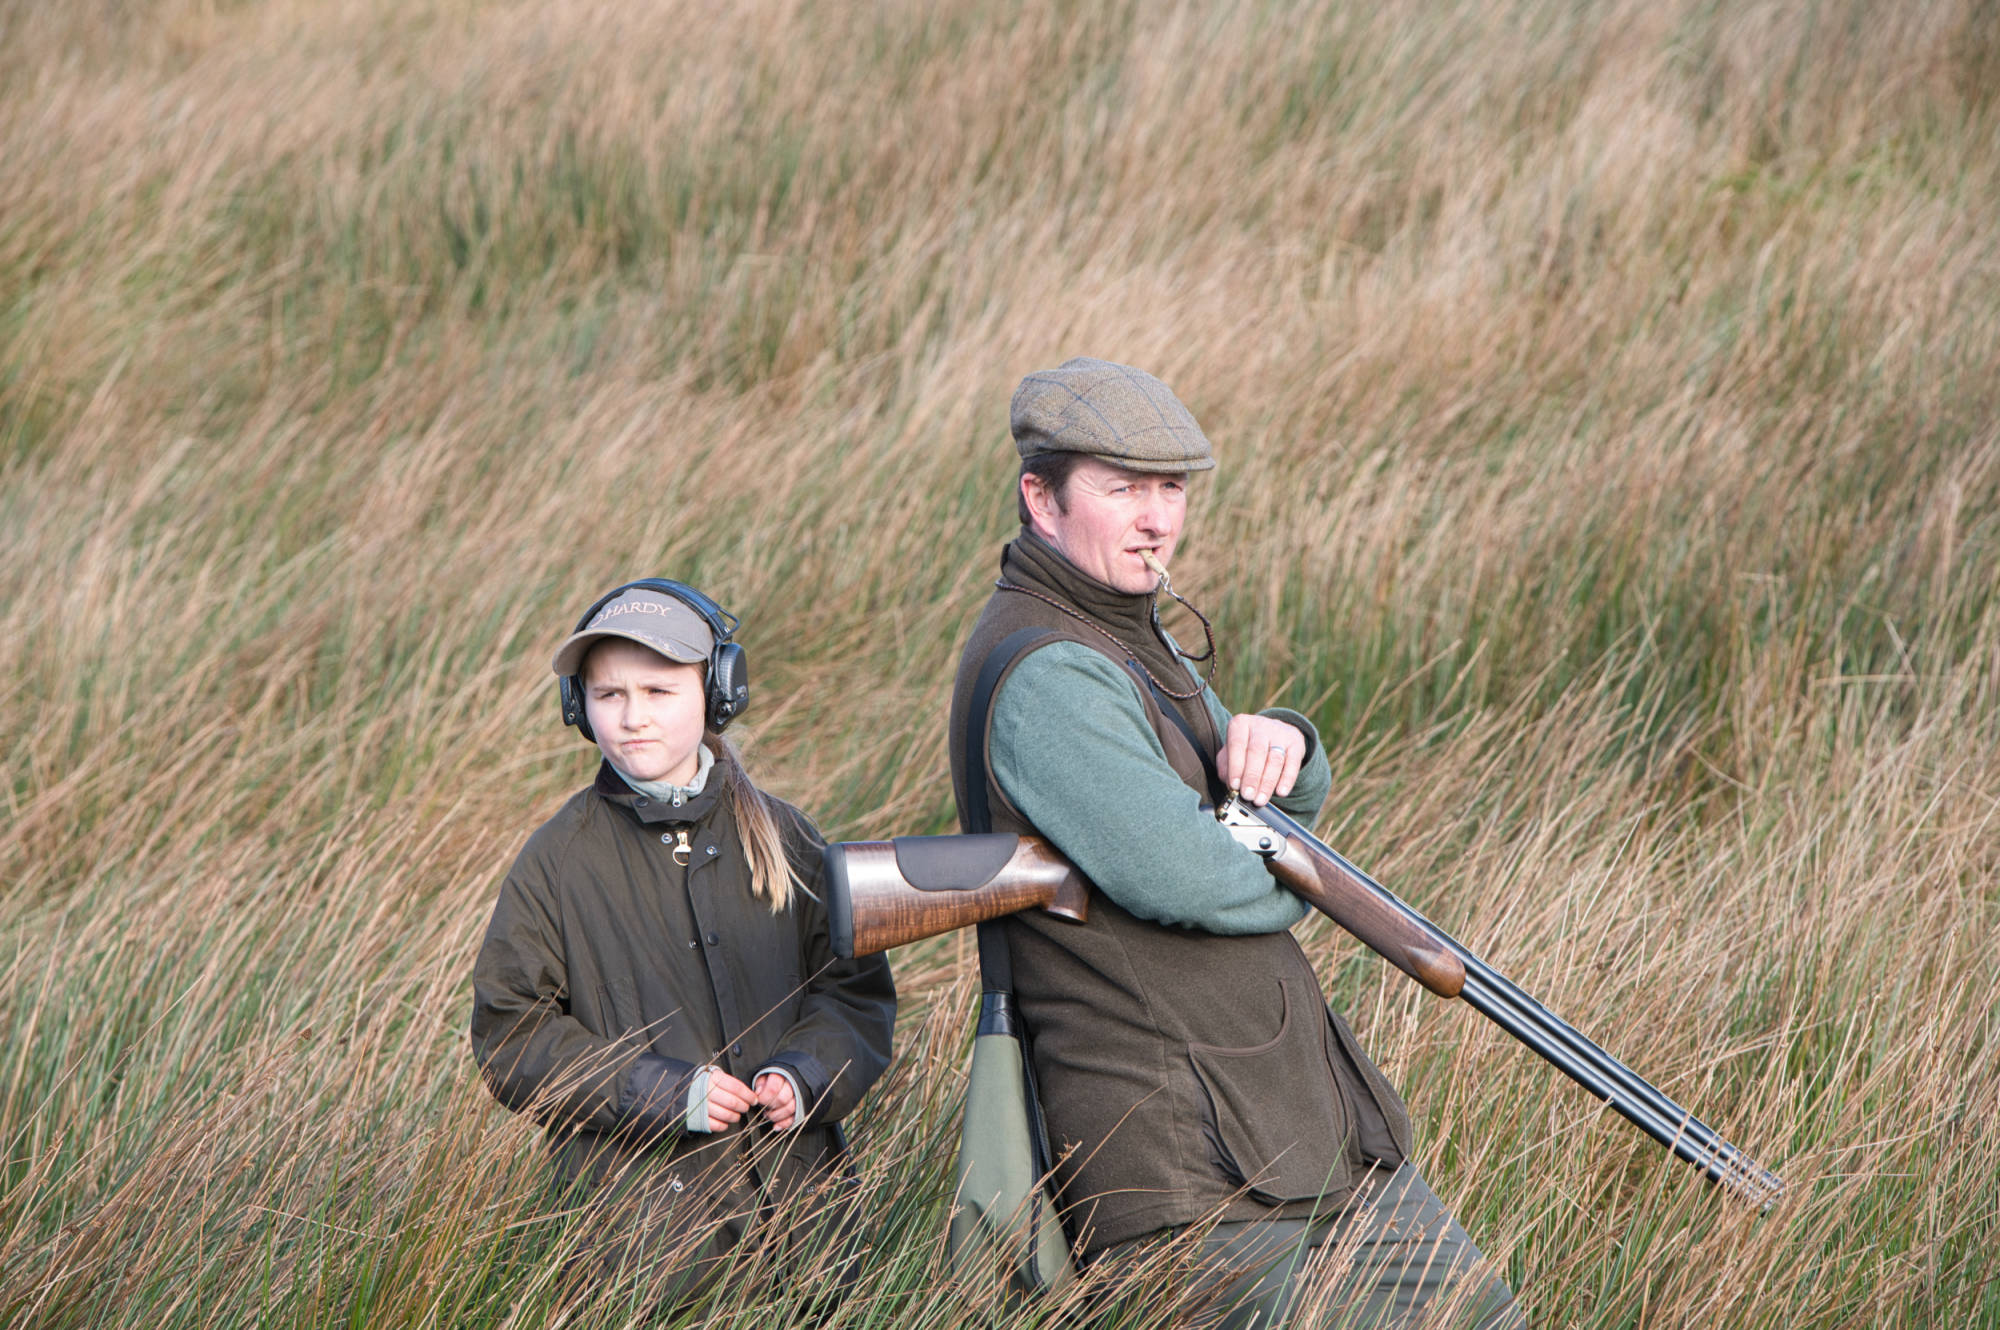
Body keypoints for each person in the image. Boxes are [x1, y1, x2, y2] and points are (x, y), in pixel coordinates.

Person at [946, 359, 1522, 1328]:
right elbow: (1189, 875)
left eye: (1169, 488)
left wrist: (1286, 738)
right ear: (1038, 499)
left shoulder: (1123, 631)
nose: (1155, 517)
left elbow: (1265, 791)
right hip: (1179, 1158)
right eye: (1120, 488)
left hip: (1291, 1121)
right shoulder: (1048, 669)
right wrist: (1309, 877)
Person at [470, 579, 895, 1307]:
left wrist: (804, 1076)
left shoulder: (788, 836)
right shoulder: (558, 859)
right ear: (579, 708)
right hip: (643, 1256)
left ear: (718, 691)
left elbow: (852, 993)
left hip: (809, 1243)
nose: (632, 718)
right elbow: (513, 1035)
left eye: (659, 691)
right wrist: (664, 1093)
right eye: (607, 695)